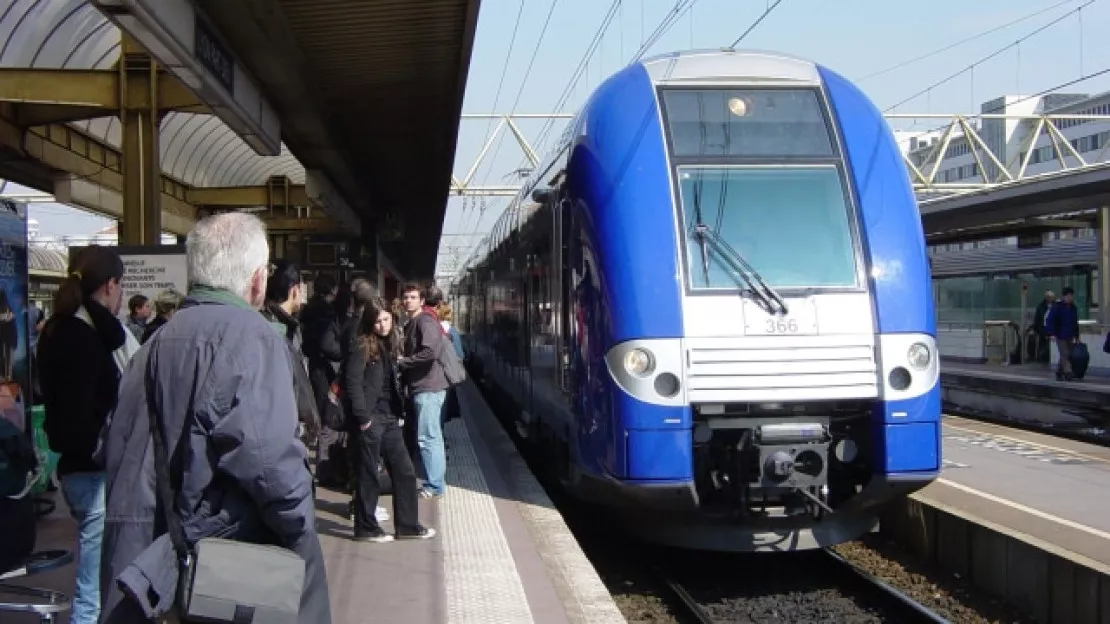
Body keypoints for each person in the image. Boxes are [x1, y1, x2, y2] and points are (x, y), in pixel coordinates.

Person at [96, 213, 332, 623]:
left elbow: (115, 451)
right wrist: (298, 524)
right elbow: (270, 464)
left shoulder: (149, 348)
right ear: (257, 280)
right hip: (229, 572)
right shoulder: (254, 339)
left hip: (149, 569)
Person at [36, 245, 138, 624]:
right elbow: (90, 408)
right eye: (121, 285)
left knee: (93, 575)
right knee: (91, 585)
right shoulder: (86, 337)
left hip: (72, 469)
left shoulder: (55, 331)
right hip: (94, 469)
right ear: (110, 285)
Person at [343, 297, 435, 542]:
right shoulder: (361, 345)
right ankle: (366, 528)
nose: (382, 325)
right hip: (371, 418)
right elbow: (352, 383)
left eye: (386, 319)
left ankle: (407, 525)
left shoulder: (389, 343)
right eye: (377, 321)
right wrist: (363, 418)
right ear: (369, 322)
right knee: (368, 474)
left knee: (404, 471)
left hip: (390, 417)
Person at [398, 283, 449, 499]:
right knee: (430, 436)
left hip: (428, 386)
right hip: (423, 386)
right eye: (405, 297)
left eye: (412, 297)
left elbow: (430, 352)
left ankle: (434, 485)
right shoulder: (415, 322)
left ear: (421, 301)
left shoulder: (424, 322)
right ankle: (434, 482)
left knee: (428, 438)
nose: (408, 300)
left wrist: (405, 362)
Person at [261, 259, 320, 443]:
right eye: (303, 286)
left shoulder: (285, 325)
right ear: (294, 290)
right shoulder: (274, 329)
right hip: (281, 432)